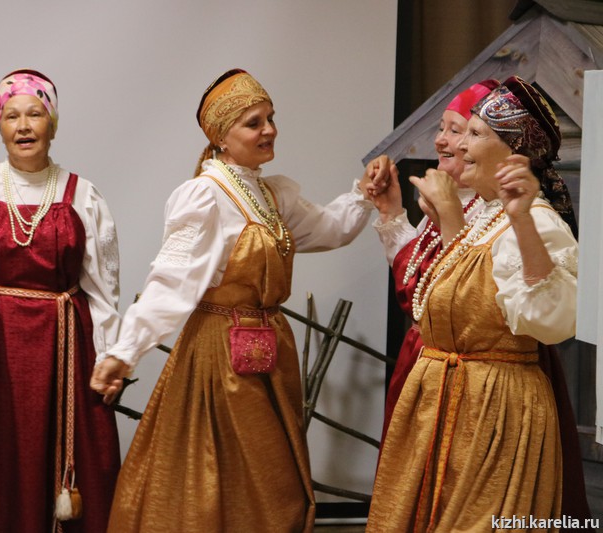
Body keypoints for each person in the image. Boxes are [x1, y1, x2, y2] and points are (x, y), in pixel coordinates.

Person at [90, 68, 383, 532]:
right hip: (221, 359)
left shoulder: (270, 192)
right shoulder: (206, 196)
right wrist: (124, 353)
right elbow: (171, 283)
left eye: (270, 118)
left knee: (271, 483)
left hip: (271, 352)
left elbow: (330, 229)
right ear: (221, 138)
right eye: (254, 122)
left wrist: (364, 194)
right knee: (233, 480)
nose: (269, 130)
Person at [367, 76, 579, 531]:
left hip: (493, 412)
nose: (460, 145)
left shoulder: (535, 221)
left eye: (475, 133)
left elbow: (553, 320)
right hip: (448, 403)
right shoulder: (484, 215)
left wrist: (522, 220)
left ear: (515, 153)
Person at [0, 69, 121, 533]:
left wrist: (110, 355)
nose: (23, 126)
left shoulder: (83, 194)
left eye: (35, 114)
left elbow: (103, 287)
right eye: (11, 116)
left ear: (52, 123)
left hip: (64, 348)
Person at [366, 81, 497, 441]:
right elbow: (418, 279)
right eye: (441, 128)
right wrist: (391, 210)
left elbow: (468, 295)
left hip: (462, 371)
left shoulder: (489, 211)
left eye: (456, 130)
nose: (440, 140)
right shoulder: (452, 199)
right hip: (423, 356)